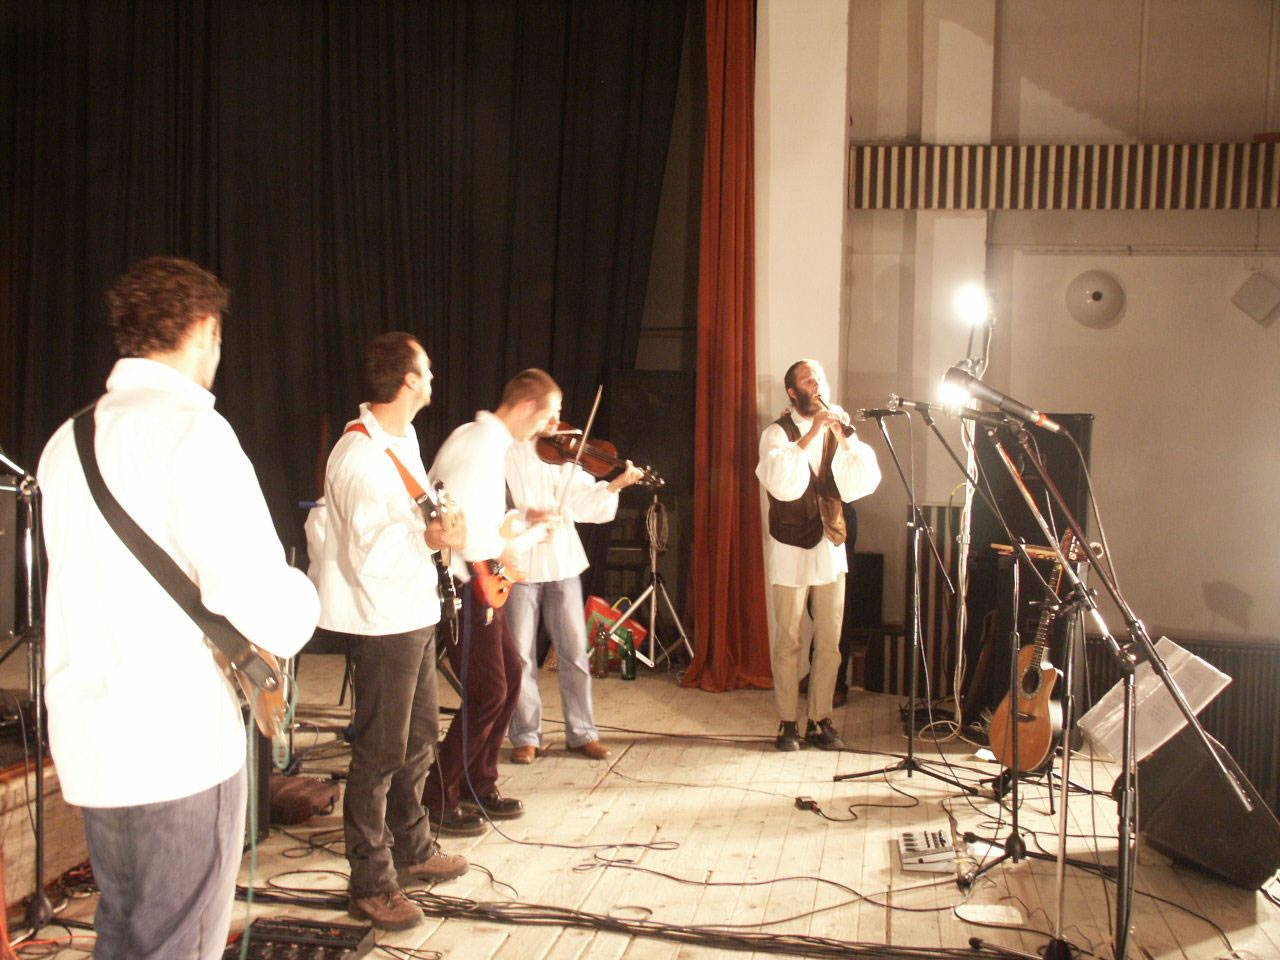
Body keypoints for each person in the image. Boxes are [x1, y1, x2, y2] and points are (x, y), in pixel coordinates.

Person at [37, 256, 319, 959]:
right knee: (178, 944)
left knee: (124, 930)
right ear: (203, 327)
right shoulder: (194, 431)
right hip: (175, 741)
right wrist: (304, 598)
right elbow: (254, 596)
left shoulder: (66, 441)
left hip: (92, 739)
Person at [314, 332, 470, 931]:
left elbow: (409, 524)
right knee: (380, 753)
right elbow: (370, 558)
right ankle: (371, 882)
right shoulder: (358, 457)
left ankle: (413, 846)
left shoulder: (401, 441)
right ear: (407, 380)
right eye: (425, 370)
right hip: (383, 621)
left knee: (421, 738)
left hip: (413, 611)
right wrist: (428, 538)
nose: (432, 378)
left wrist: (440, 528)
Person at [424, 369, 562, 833]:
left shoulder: (480, 439)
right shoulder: (482, 446)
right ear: (525, 407)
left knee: (511, 676)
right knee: (488, 691)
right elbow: (463, 530)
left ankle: (477, 783)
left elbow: (479, 515)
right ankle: (439, 794)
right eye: (547, 415)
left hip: (477, 582)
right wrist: (523, 538)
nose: (548, 427)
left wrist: (520, 519)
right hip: (464, 585)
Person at [503, 416, 645, 764]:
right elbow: (498, 503)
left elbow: (582, 507)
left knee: (574, 651)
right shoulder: (507, 448)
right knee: (520, 655)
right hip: (520, 560)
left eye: (559, 411)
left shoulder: (567, 451)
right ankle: (525, 735)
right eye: (549, 412)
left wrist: (614, 486)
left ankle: (582, 733)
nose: (557, 422)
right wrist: (526, 520)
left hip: (562, 560)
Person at [756, 359, 881, 751]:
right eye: (810, 380)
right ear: (793, 392)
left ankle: (820, 719)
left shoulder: (836, 431)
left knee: (830, 640)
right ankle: (787, 722)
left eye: (821, 378)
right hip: (790, 545)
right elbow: (780, 483)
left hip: (829, 544)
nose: (818, 384)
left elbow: (860, 482)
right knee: (789, 639)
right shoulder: (776, 434)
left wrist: (844, 438)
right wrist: (811, 434)